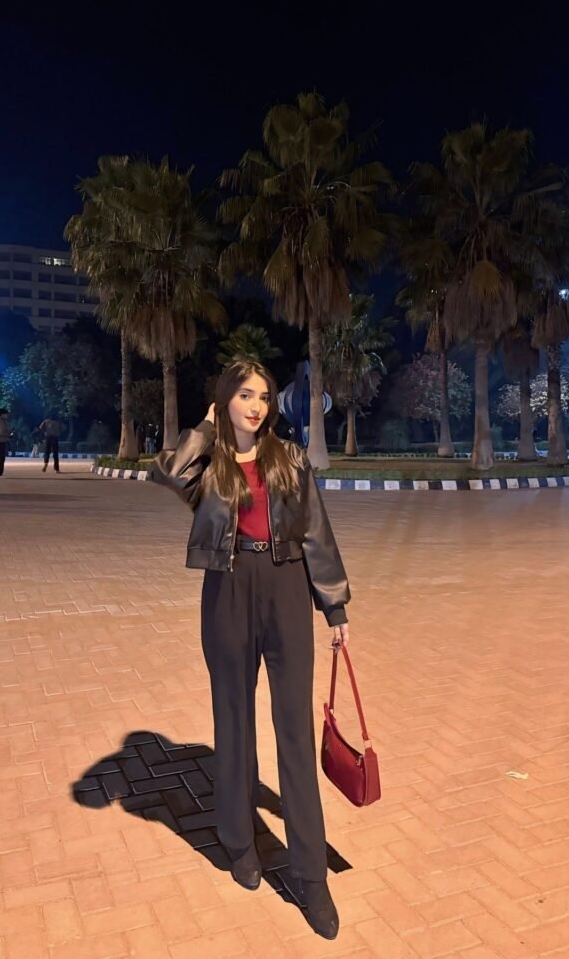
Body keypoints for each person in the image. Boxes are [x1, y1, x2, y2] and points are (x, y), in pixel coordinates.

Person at [151, 361, 350, 941]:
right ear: (225, 401)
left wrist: (333, 607)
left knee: (293, 729)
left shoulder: (287, 458)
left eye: (263, 396)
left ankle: (311, 876)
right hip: (228, 592)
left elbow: (315, 530)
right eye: (244, 394)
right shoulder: (208, 468)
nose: (257, 405)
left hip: (287, 589)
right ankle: (239, 842)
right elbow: (167, 472)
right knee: (232, 722)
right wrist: (207, 429)